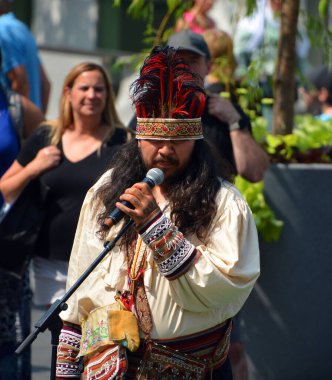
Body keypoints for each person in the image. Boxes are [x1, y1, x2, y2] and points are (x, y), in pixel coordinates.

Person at [55, 46, 260, 379]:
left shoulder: (224, 201)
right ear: (138, 139)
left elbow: (225, 285)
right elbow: (83, 285)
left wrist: (156, 227)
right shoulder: (108, 189)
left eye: (177, 141)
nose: (165, 150)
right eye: (154, 140)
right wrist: (66, 370)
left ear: (196, 142)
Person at [0, 62, 130, 311]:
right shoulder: (46, 136)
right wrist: (33, 168)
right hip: (50, 265)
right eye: (84, 88)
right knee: (57, 341)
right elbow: (5, 188)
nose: (92, 95)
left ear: (107, 95)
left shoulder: (122, 142)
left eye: (99, 89)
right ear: (68, 93)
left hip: (101, 262)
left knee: (93, 341)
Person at [167, 29, 270, 183]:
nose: (185, 68)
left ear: (209, 66)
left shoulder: (226, 114)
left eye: (193, 61)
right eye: (178, 61)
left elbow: (255, 173)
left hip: (215, 204)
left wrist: (235, 123)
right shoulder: (151, 112)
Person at [0, 73, 44, 379]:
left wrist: (31, 169)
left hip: (10, 241)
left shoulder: (18, 108)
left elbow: (49, 144)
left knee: (10, 344)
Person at [0, 0, 51, 112]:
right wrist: (38, 122)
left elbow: (20, 81)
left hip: (12, 124)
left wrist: (24, 124)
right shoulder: (21, 28)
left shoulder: (2, 31)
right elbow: (45, 84)